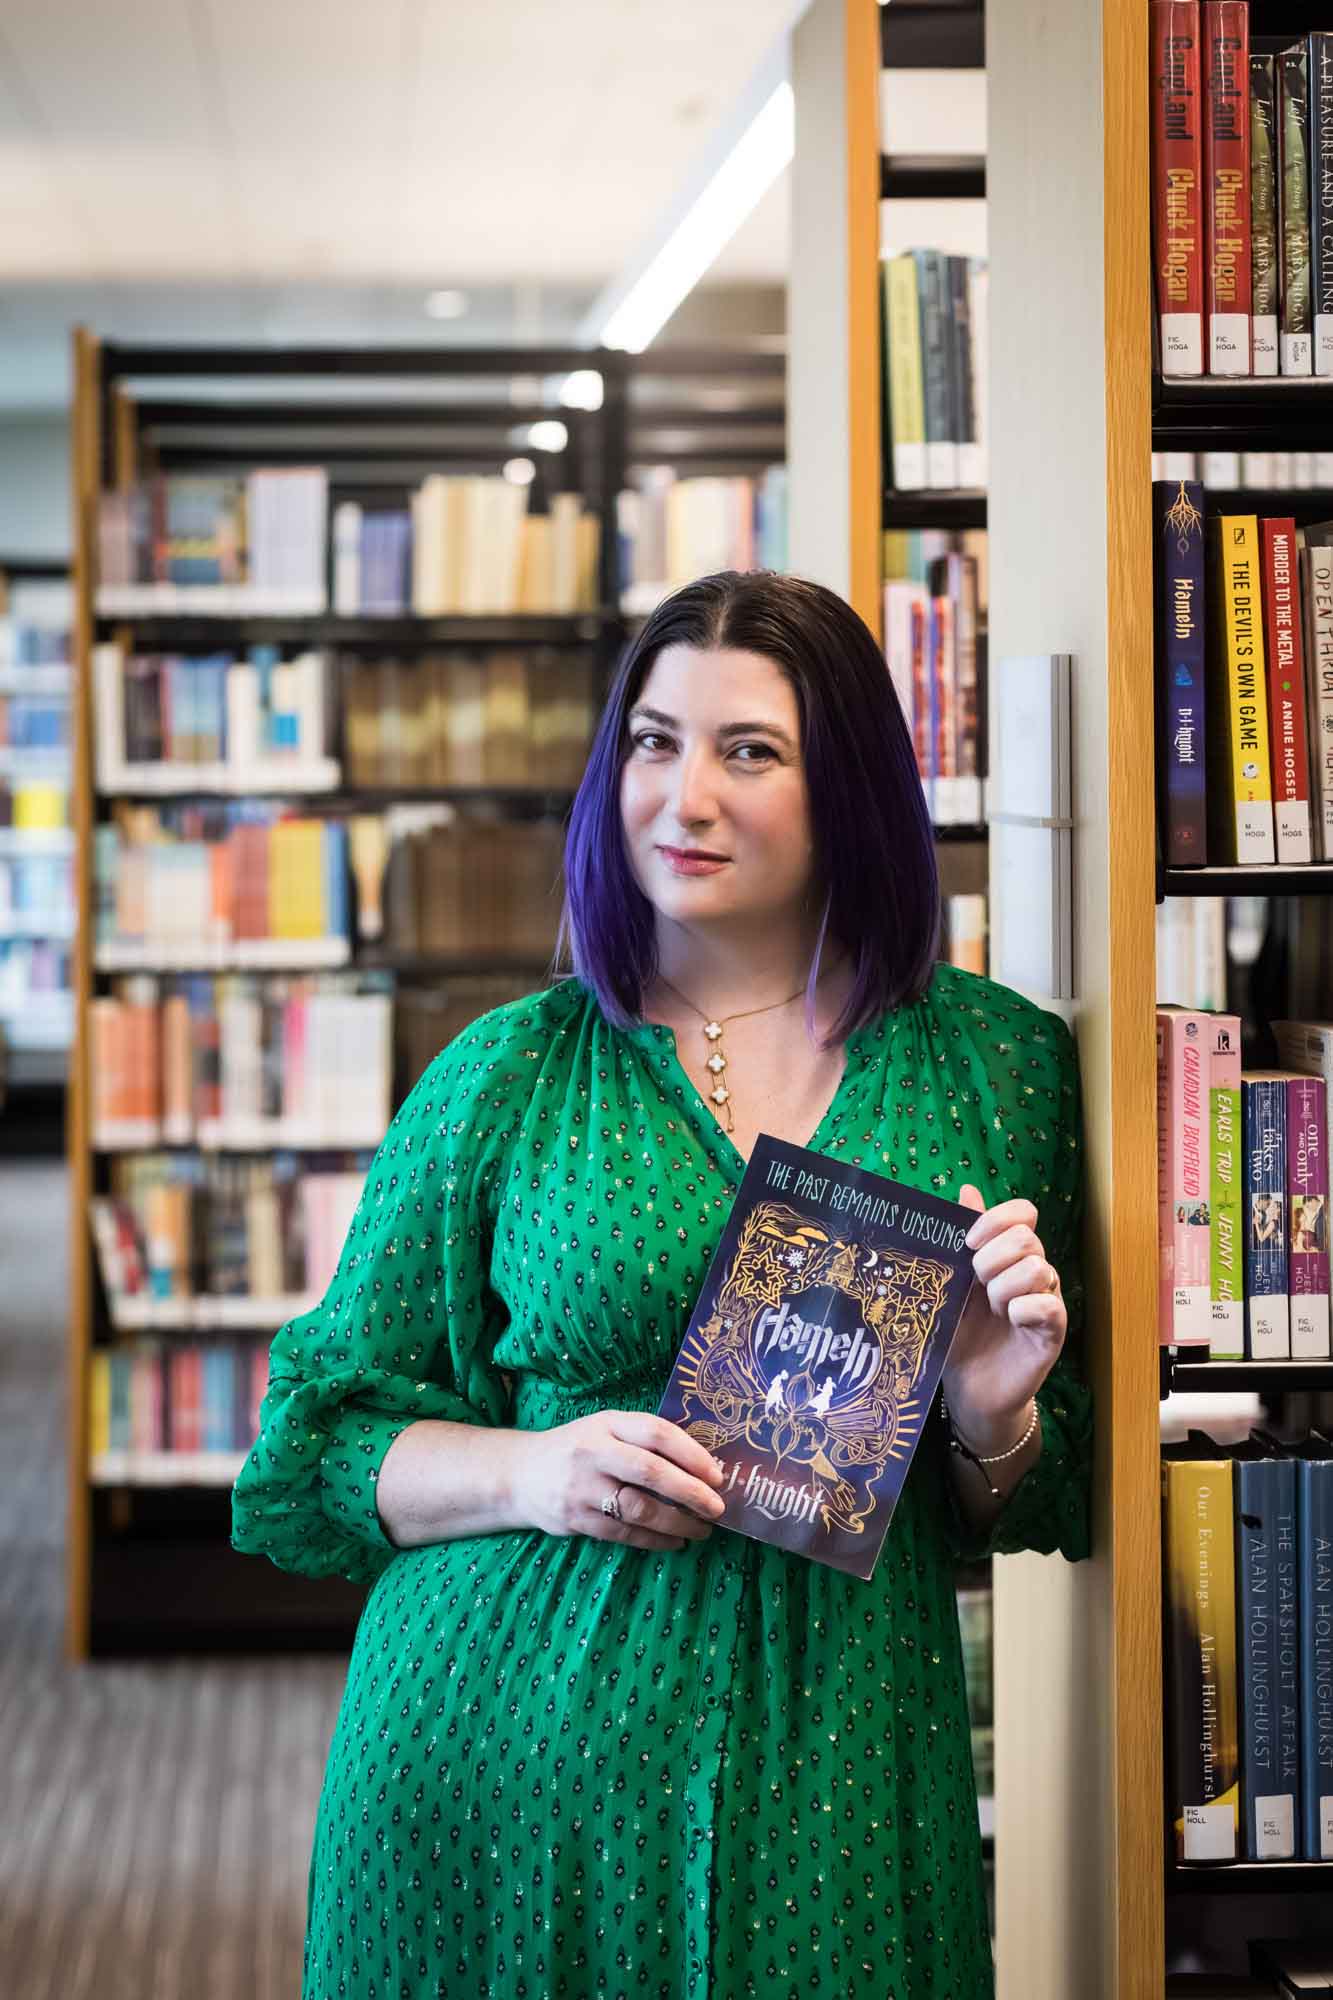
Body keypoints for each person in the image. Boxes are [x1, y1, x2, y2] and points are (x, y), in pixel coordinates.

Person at [232, 570, 1092, 2000]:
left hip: (834, 1772)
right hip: (500, 1766)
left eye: (748, 751)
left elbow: (1038, 1500)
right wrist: (533, 1471)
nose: (684, 798)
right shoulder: (508, 1074)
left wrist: (990, 1413)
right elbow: (320, 1441)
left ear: (848, 786)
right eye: (652, 742)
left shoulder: (998, 1069)